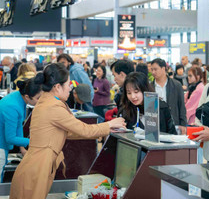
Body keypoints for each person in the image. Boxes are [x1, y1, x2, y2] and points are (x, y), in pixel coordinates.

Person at [9, 63, 126, 199]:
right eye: (68, 84)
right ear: (57, 87)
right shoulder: (53, 107)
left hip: (34, 165)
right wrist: (109, 124)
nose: (70, 89)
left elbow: (71, 132)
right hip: (38, 168)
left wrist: (104, 130)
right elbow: (84, 129)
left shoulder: (45, 103)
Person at [0, 78, 42, 182]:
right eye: (38, 98)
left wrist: (22, 149)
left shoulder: (18, 99)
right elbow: (10, 138)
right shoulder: (12, 106)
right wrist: (34, 141)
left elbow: (18, 126)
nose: (40, 101)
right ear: (27, 97)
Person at [151, 58, 187, 135]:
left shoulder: (176, 85)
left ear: (163, 68)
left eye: (155, 69)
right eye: (152, 70)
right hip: (155, 124)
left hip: (173, 123)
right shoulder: (150, 87)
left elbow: (181, 105)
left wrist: (183, 124)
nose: (153, 72)